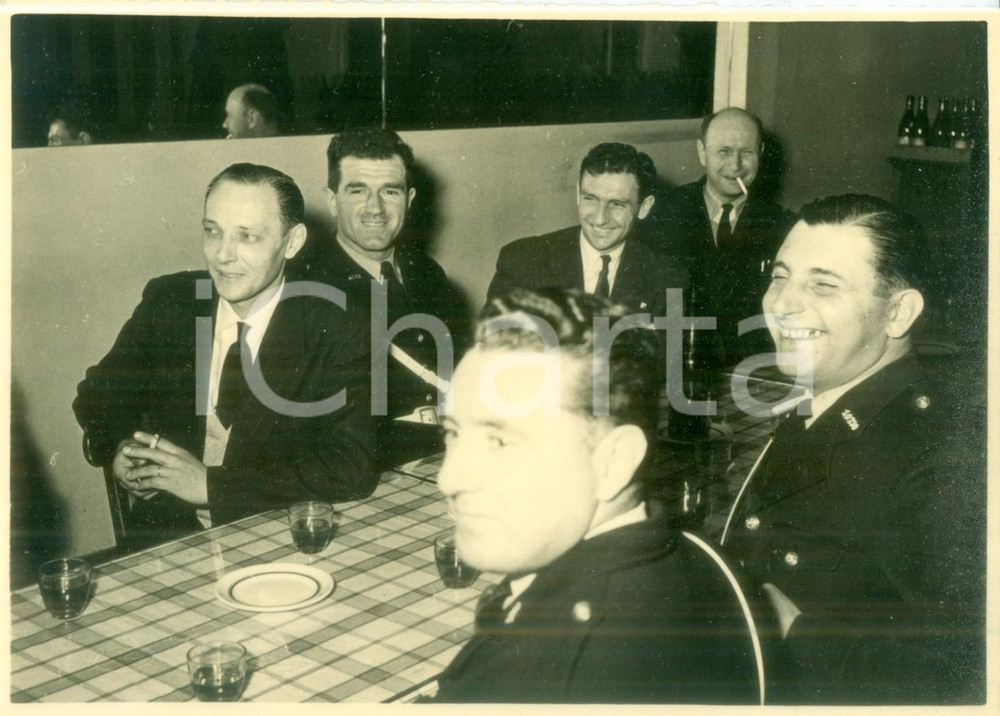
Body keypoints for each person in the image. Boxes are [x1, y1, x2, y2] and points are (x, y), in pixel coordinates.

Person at [432, 288, 771, 704]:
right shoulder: (697, 551)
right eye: (452, 432)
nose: (448, 478)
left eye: (499, 441)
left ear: (613, 462)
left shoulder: (547, 674)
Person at [719, 194, 985, 704]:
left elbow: (959, 678)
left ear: (898, 312)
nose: (781, 304)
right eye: (780, 275)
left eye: (823, 285)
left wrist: (790, 630)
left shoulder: (947, 457)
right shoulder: (820, 402)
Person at [74, 163, 377, 548]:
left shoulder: (337, 325)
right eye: (212, 231)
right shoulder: (170, 303)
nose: (222, 255)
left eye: (246, 236)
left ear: (292, 241)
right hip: (167, 543)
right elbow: (97, 391)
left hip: (278, 540)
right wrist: (119, 445)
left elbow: (351, 467)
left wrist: (211, 486)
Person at [289, 127, 469, 470]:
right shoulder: (306, 286)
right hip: (367, 468)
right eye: (358, 191)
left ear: (410, 199)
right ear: (331, 200)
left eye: (390, 191)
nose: (376, 208)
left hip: (443, 455)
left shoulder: (427, 273)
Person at [654, 107, 795, 363]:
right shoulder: (662, 213)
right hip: (676, 364)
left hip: (752, 367)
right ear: (702, 153)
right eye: (724, 151)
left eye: (747, 152)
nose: (736, 165)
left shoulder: (783, 225)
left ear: (760, 154)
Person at [486, 142, 688, 317]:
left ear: (644, 207)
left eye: (617, 204)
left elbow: (669, 359)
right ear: (577, 194)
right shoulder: (524, 261)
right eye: (590, 199)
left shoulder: (667, 277)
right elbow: (491, 354)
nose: (600, 219)